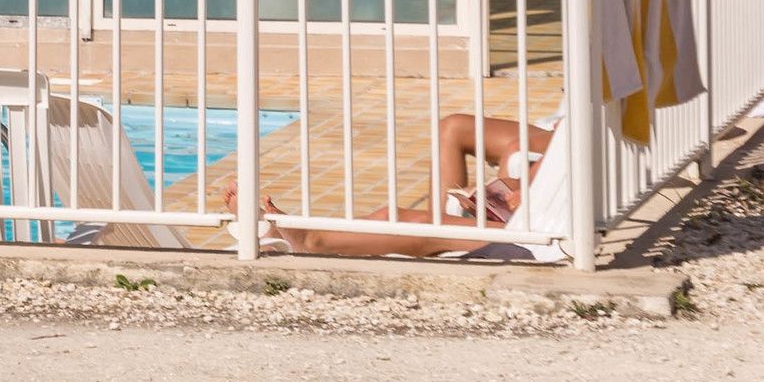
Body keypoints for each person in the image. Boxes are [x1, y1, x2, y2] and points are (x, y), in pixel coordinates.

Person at [221, 110, 555, 260]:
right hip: (525, 214)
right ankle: (438, 235)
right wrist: (513, 189)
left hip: (538, 238)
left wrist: (519, 192)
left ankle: (308, 240)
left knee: (409, 220)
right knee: (454, 130)